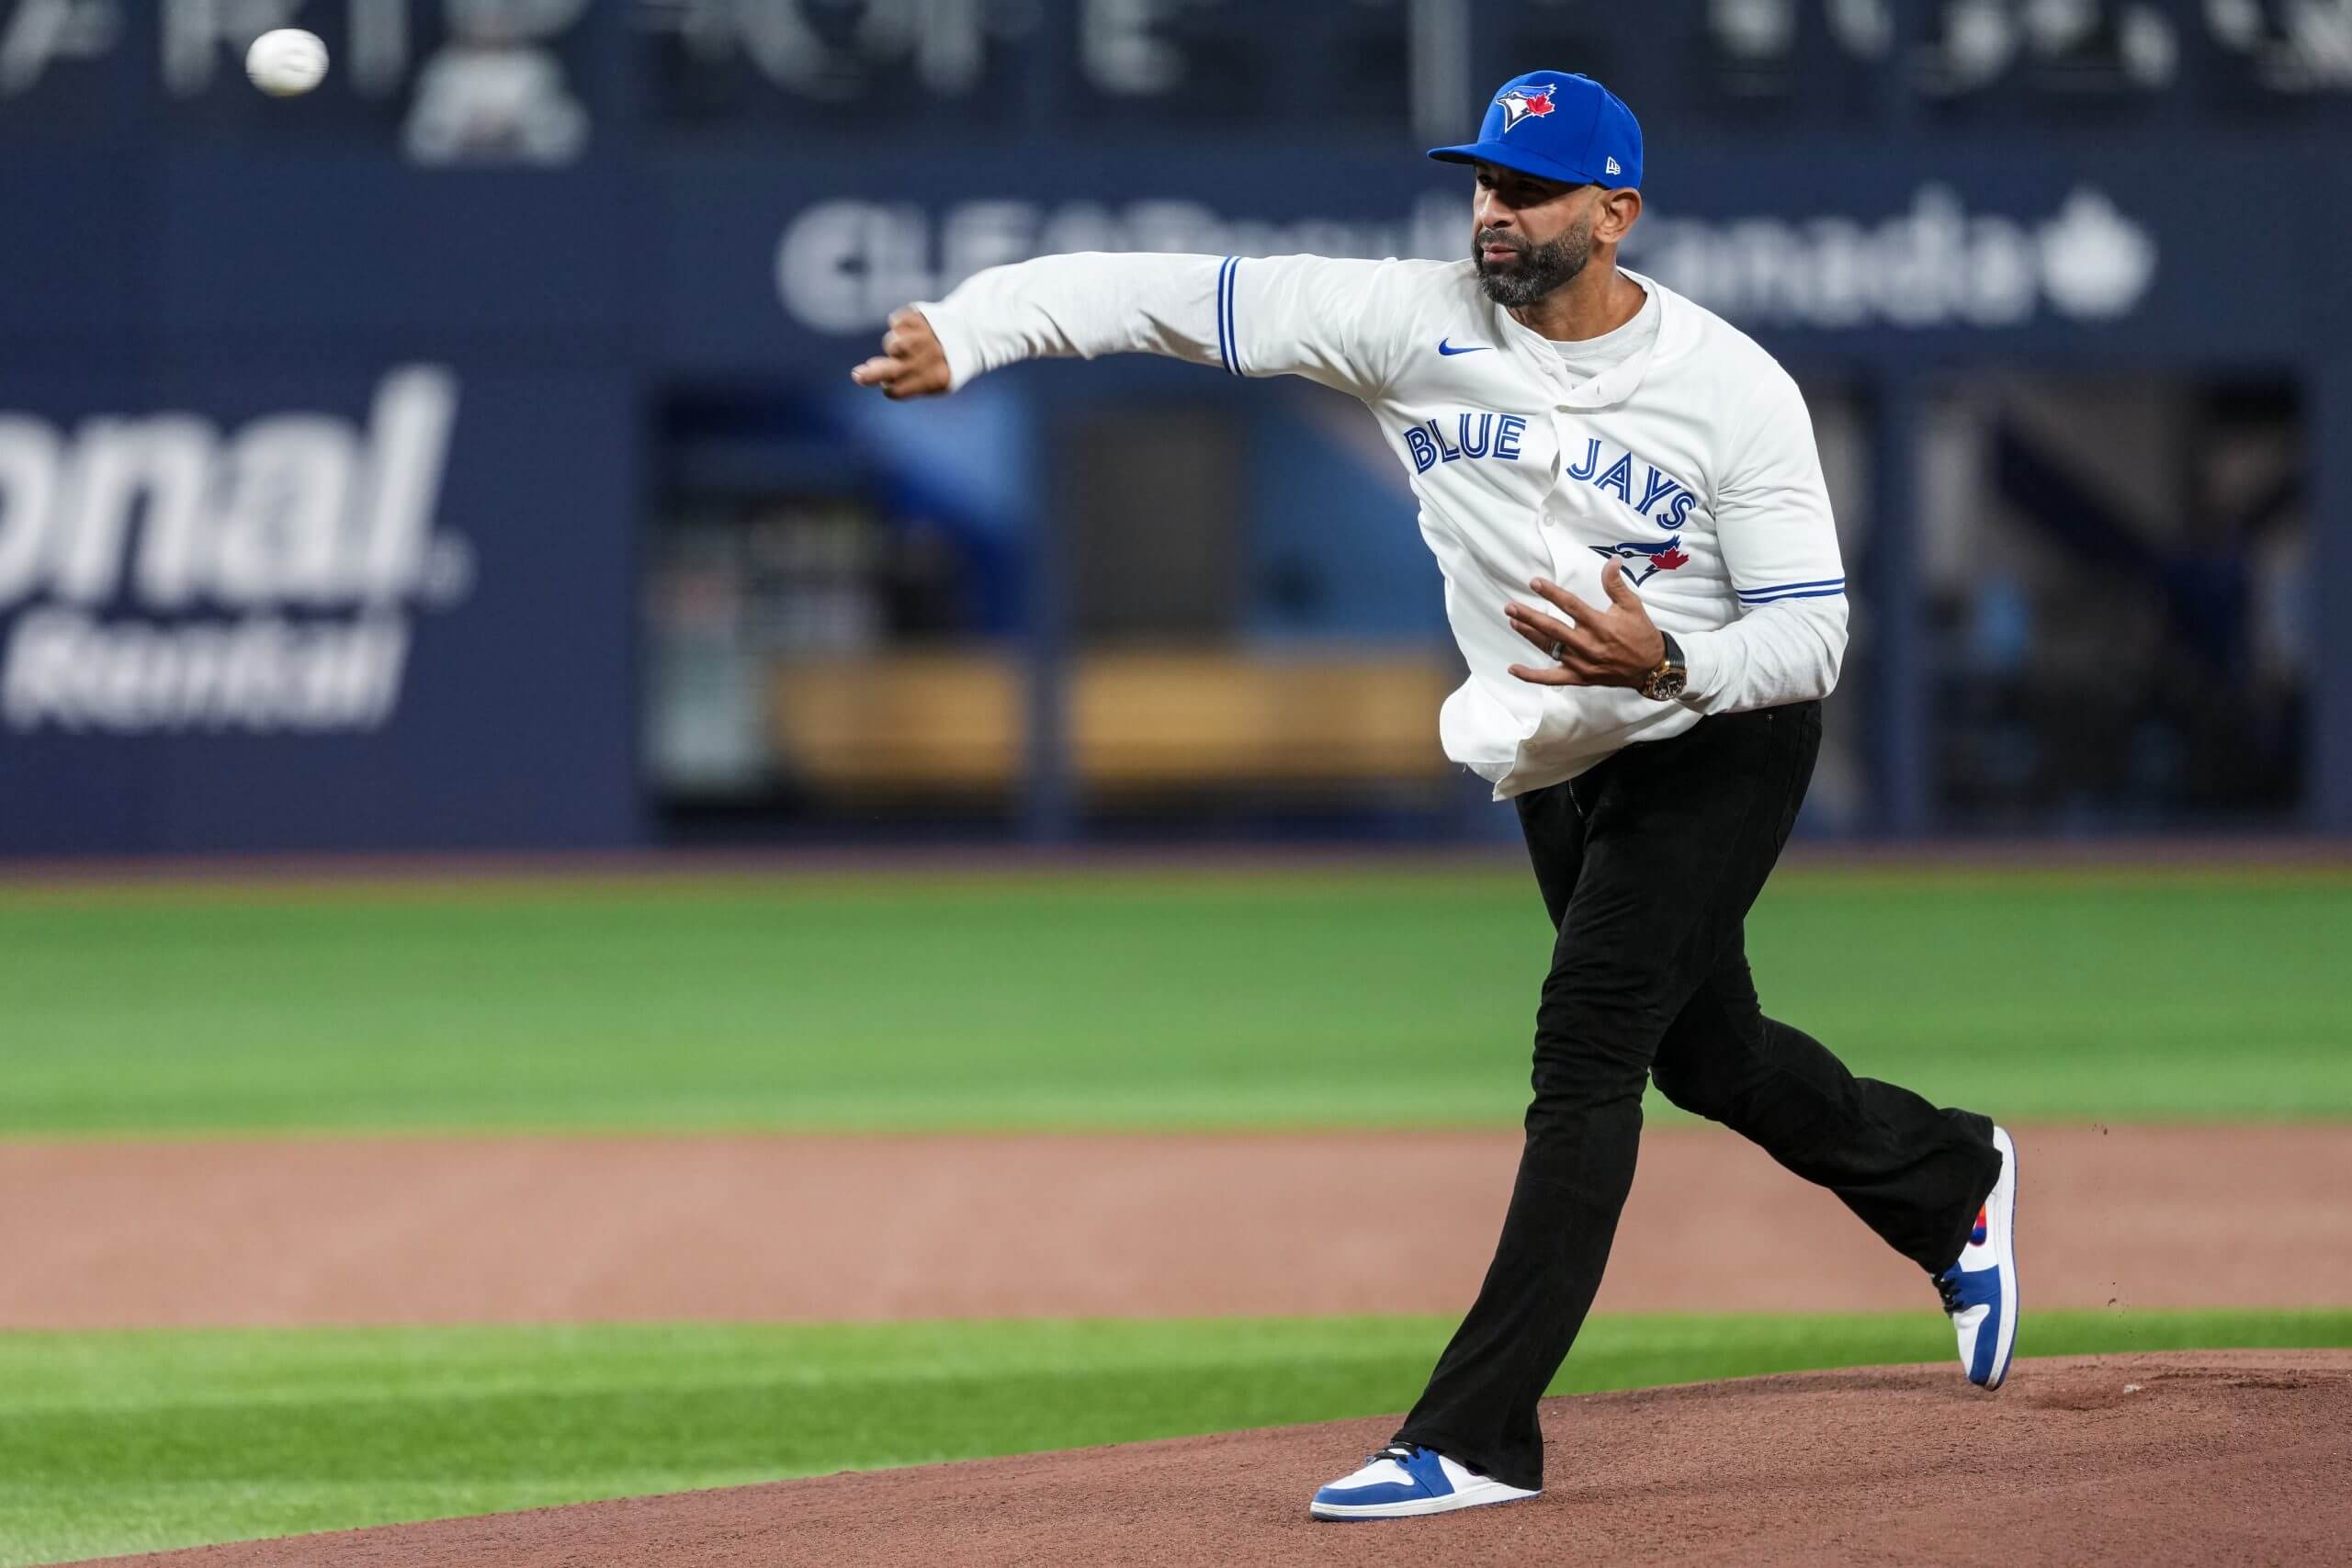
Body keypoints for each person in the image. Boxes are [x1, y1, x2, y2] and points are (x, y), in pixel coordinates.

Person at [851, 70, 2019, 1524]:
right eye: (1481, 184)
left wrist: (1675, 661)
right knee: (1707, 1060)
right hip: (1553, 747)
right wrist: (970, 333)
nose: (1492, 214)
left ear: (1616, 213)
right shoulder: (1409, 321)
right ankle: (1949, 1175)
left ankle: (1477, 1436)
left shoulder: (1732, 390)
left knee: (1586, 1050)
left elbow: (1813, 638)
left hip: (1713, 729)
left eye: (1526, 192)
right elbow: (1153, 290)